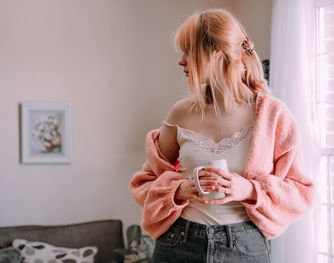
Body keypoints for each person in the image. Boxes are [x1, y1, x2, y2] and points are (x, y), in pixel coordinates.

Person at [129, 8, 314, 263]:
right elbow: (145, 182)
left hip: (246, 248)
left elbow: (301, 192)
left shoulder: (272, 116)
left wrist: (249, 189)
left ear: (216, 53)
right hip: (178, 243)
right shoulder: (179, 114)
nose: (181, 61)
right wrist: (180, 189)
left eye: (189, 52)